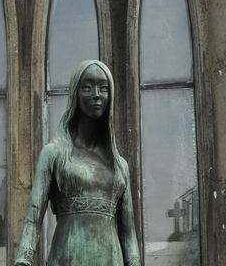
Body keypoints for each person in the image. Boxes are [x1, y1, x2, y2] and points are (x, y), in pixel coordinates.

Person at [15, 60, 141, 266]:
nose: (96, 95)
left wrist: (134, 262)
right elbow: (34, 214)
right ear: (76, 93)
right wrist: (24, 257)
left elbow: (129, 232)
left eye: (103, 88)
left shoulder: (120, 166)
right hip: (67, 256)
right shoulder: (54, 154)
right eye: (87, 87)